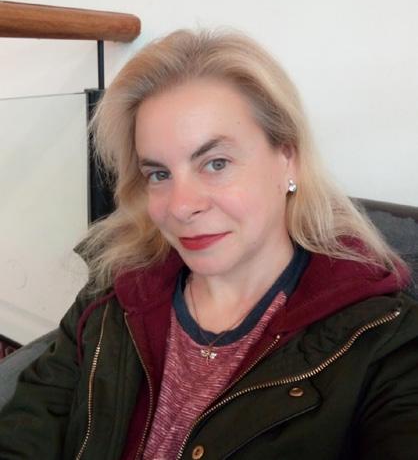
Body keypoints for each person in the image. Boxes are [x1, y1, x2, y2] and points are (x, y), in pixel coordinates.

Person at [0, 29, 417, 460]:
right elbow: (26, 430)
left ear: (287, 159)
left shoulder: (384, 342)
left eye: (216, 163)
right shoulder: (113, 297)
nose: (181, 206)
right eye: (159, 174)